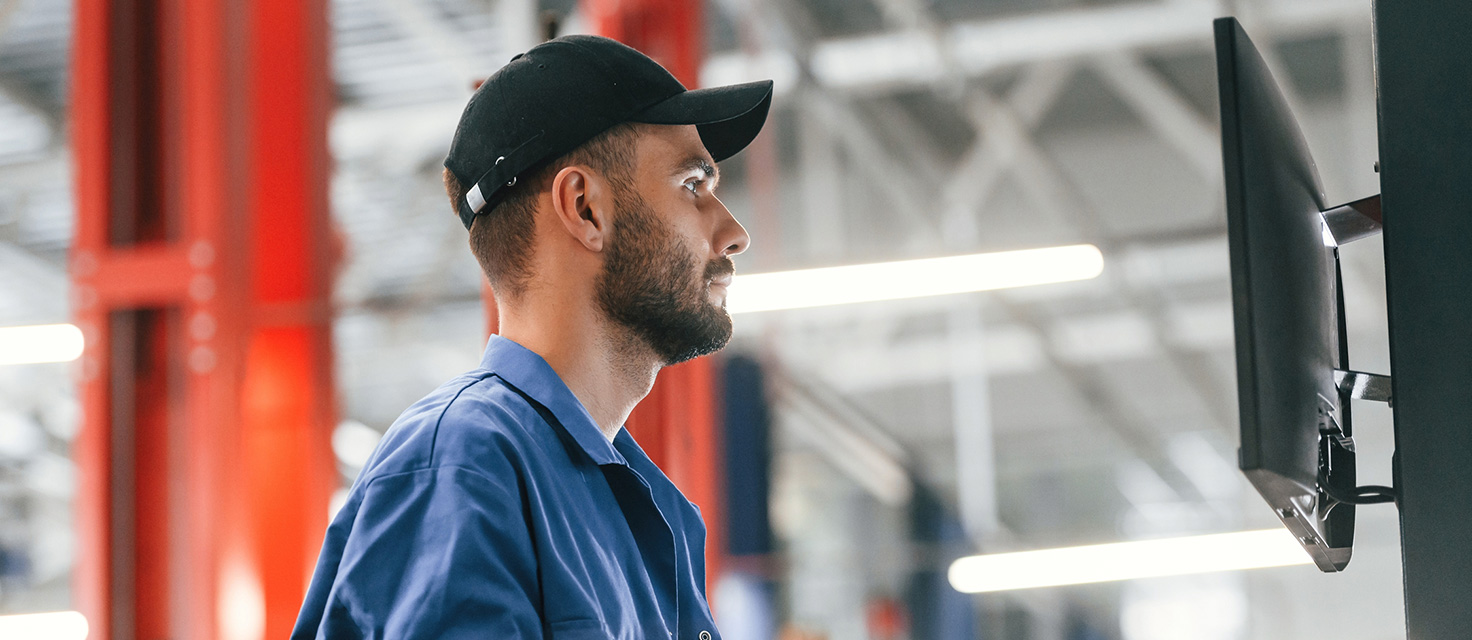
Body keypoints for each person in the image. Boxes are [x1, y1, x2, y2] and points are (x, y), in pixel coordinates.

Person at [291, 35, 772, 639]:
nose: (733, 233)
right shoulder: (465, 464)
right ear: (585, 208)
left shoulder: (652, 513)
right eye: (692, 186)